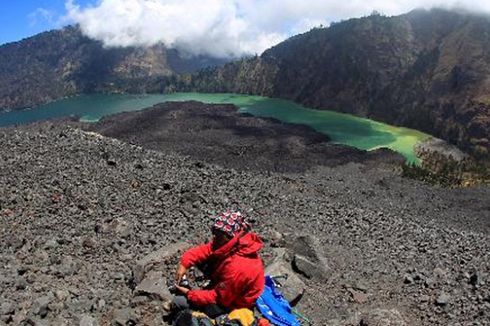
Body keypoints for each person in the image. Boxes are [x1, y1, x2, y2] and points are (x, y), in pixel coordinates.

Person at [169, 210, 265, 320]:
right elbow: (206, 249)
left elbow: (219, 298)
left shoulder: (238, 267)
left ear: (230, 236)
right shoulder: (234, 241)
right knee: (206, 260)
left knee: (179, 302)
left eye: (218, 234)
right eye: (214, 232)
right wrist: (184, 264)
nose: (214, 237)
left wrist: (190, 294)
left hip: (233, 303)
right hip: (227, 286)